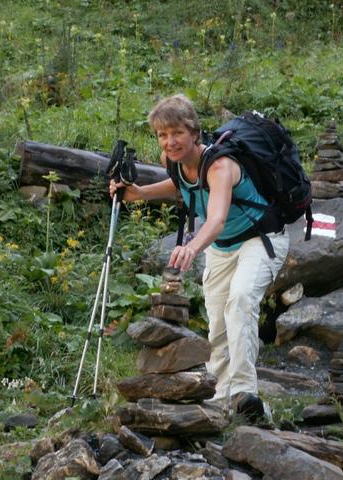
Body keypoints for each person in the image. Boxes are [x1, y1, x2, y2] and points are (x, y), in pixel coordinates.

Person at [109, 94, 289, 420]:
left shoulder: (220, 166)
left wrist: (192, 247)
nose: (170, 142)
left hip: (260, 240)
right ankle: (220, 398)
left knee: (241, 300)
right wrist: (141, 193)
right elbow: (182, 184)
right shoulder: (173, 161)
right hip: (222, 247)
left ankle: (245, 393)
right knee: (218, 322)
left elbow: (216, 218)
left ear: (194, 132)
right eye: (162, 135)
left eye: (177, 133)